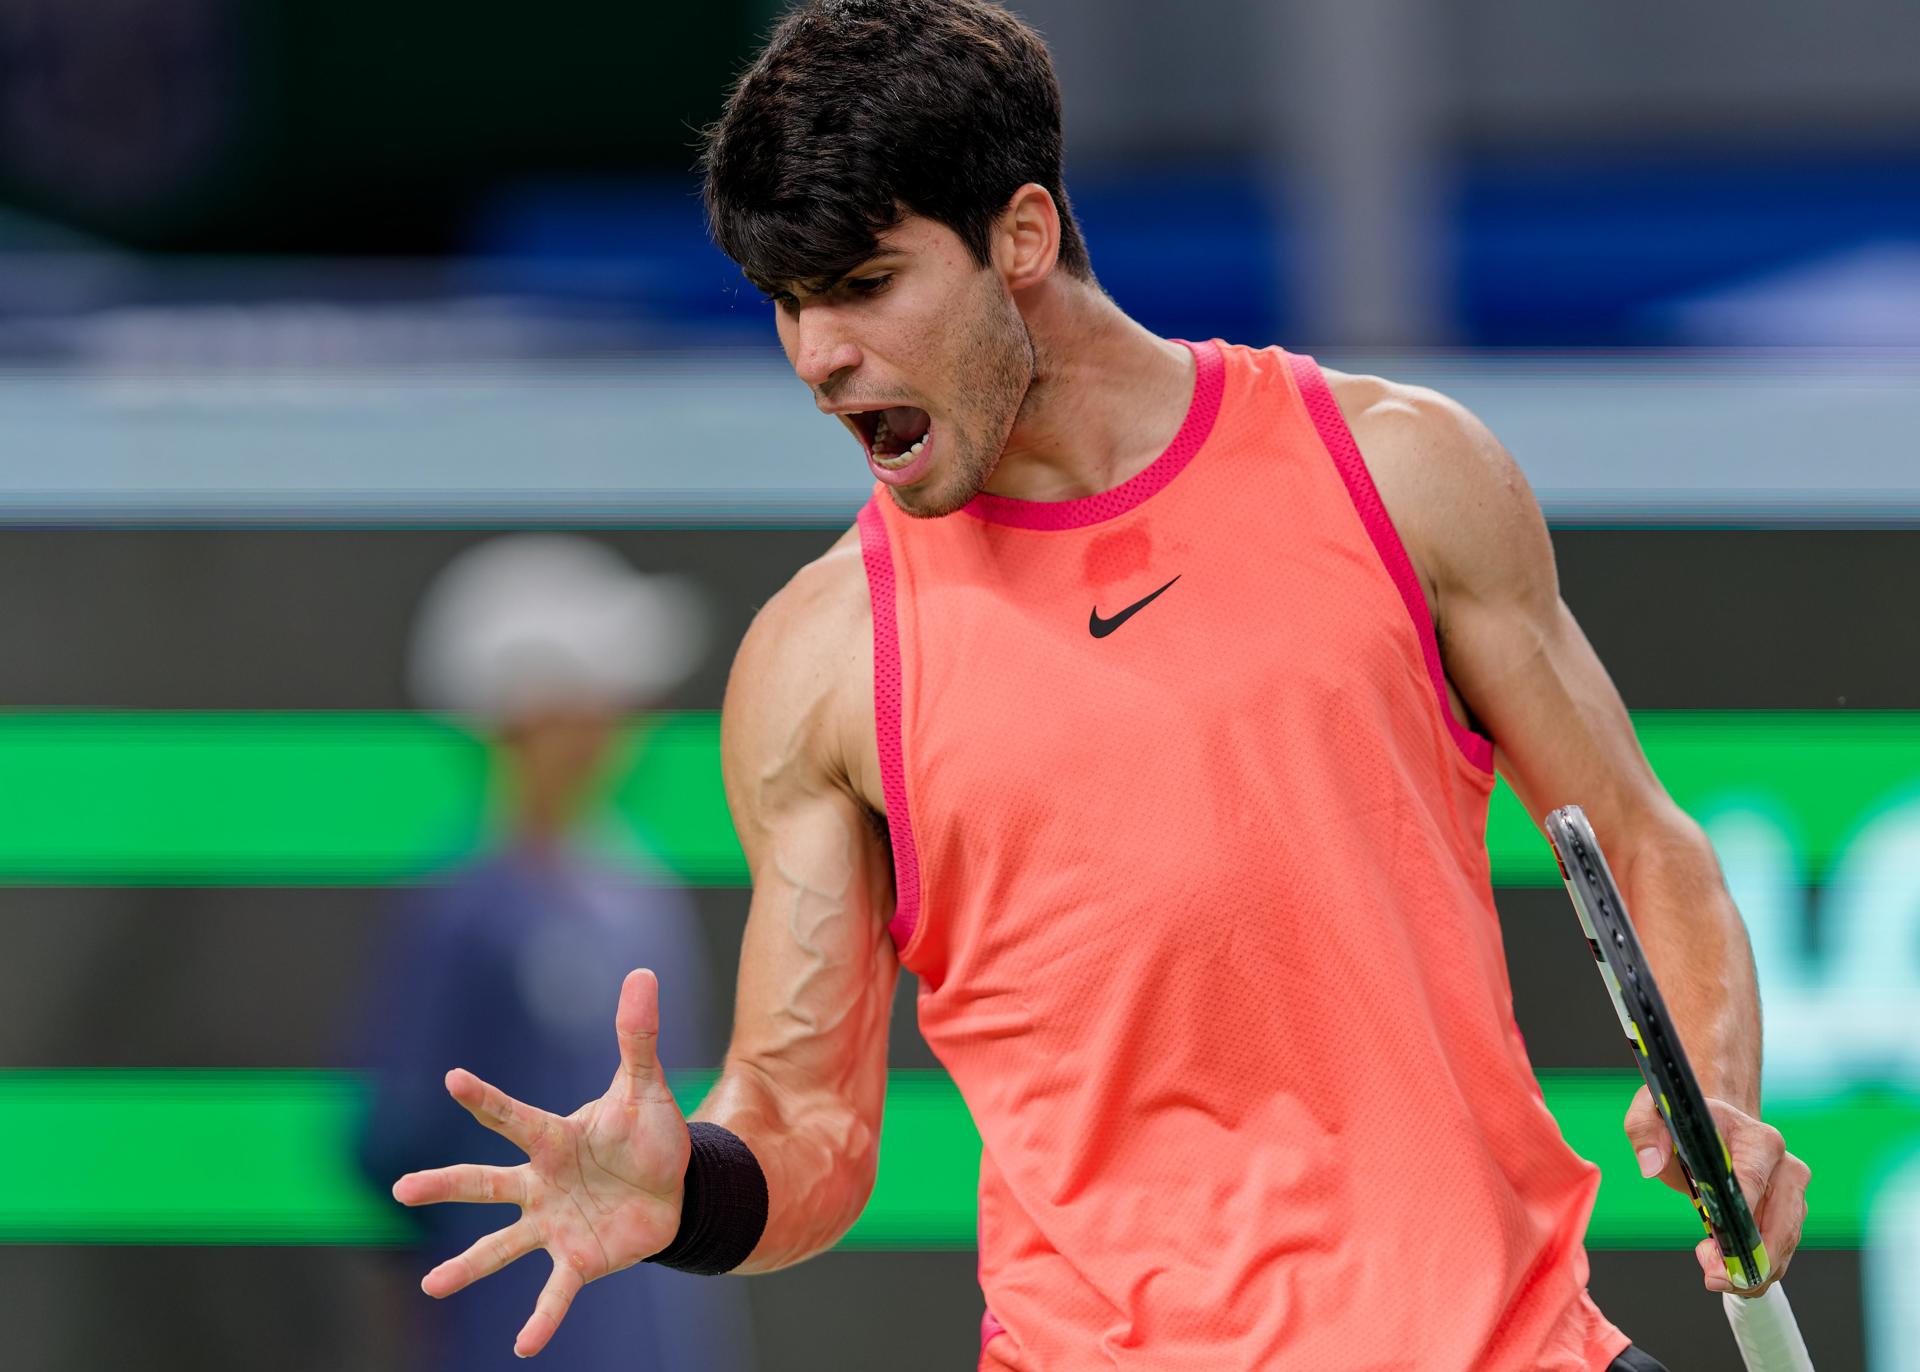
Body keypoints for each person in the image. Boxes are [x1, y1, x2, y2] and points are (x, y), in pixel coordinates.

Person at [391, 5, 1812, 1368]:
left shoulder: (1394, 470)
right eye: (788, 304)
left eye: (866, 286)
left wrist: (1725, 1101)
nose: (822, 359)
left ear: (1022, 234)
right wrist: (688, 1195)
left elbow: (1642, 845)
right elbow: (807, 1123)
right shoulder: (823, 664)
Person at [359, 535, 752, 1371]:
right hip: (517, 1334)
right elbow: (393, 1142)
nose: (625, 717)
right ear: (532, 713)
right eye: (596, 692)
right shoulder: (463, 914)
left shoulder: (644, 893)